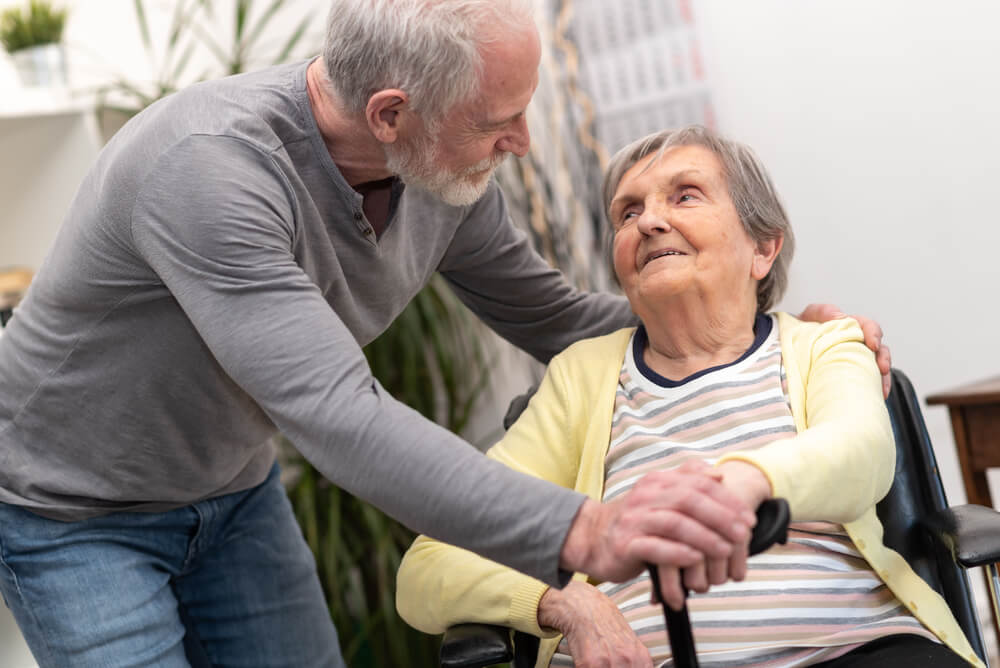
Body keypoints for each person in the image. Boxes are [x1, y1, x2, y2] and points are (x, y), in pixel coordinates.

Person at [0, 2, 887, 667]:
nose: (524, 142)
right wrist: (584, 536)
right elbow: (339, 413)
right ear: (391, 115)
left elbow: (552, 316)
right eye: (497, 120)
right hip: (71, 511)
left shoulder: (439, 166)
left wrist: (753, 323)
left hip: (232, 491)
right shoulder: (205, 171)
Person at [396, 125, 980, 668]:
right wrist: (567, 601)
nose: (649, 221)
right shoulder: (581, 377)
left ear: (763, 248)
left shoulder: (823, 345)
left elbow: (861, 456)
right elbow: (431, 563)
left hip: (852, 648)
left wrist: (743, 483)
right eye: (628, 211)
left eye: (685, 196)